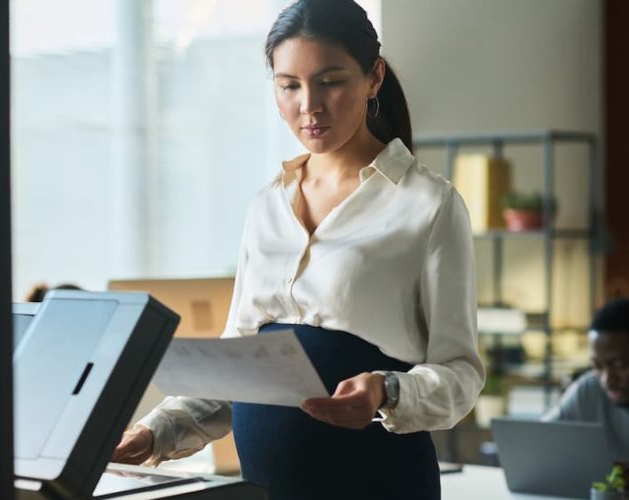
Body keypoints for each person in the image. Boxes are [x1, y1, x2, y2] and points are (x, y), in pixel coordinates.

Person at [113, 0, 485, 498]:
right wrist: (155, 431)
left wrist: (387, 391)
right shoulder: (267, 205)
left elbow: (460, 375)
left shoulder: (430, 205)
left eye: (330, 81)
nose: (309, 105)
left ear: (373, 77)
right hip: (267, 487)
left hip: (379, 482)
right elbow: (237, 369)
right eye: (289, 85)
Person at [544, 298, 629, 463]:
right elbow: (540, 440)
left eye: (619, 364)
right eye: (597, 366)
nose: (607, 379)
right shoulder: (588, 389)